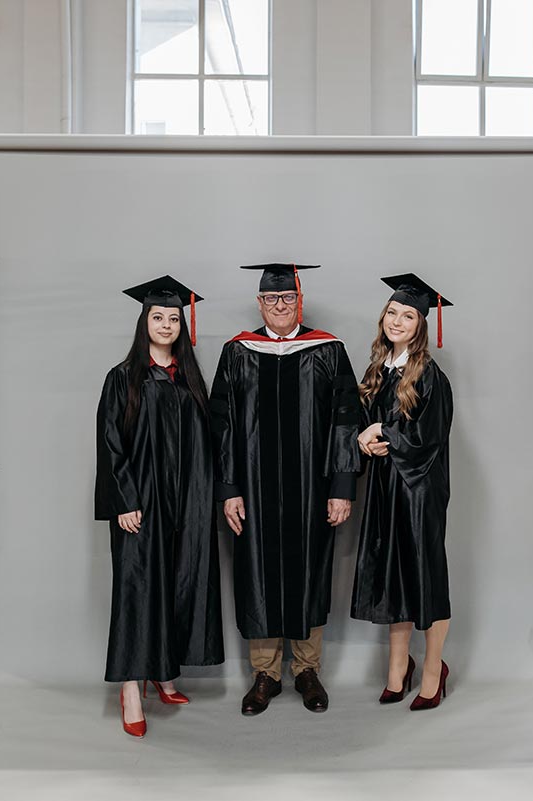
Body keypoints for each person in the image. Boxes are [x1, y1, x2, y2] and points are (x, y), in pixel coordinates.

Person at [210, 263, 362, 715]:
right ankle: (265, 674)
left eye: (288, 299)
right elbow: (223, 425)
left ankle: (307, 670)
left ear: (300, 301)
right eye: (272, 300)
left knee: (309, 574)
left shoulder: (329, 350)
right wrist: (229, 488)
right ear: (260, 303)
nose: (280, 306)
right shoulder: (238, 352)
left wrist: (341, 486)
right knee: (257, 574)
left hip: (312, 490)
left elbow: (345, 420)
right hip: (254, 490)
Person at [94, 275, 224, 738]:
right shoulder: (123, 378)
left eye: (173, 318)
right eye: (158, 316)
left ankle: (163, 671)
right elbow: (110, 446)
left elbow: (206, 444)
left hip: (186, 503)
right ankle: (131, 687)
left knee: (176, 584)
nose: (166, 324)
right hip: (141, 504)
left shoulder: (189, 379)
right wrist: (125, 500)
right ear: (143, 321)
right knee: (137, 590)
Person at [351, 273, 454, 711]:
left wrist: (383, 431)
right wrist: (364, 437)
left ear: (420, 325)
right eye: (392, 312)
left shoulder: (430, 374)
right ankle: (397, 668)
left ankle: (433, 669)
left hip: (419, 492)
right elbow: (365, 424)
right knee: (393, 576)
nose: (397, 321)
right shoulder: (378, 369)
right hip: (385, 487)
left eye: (407, 315)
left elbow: (428, 438)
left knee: (424, 576)